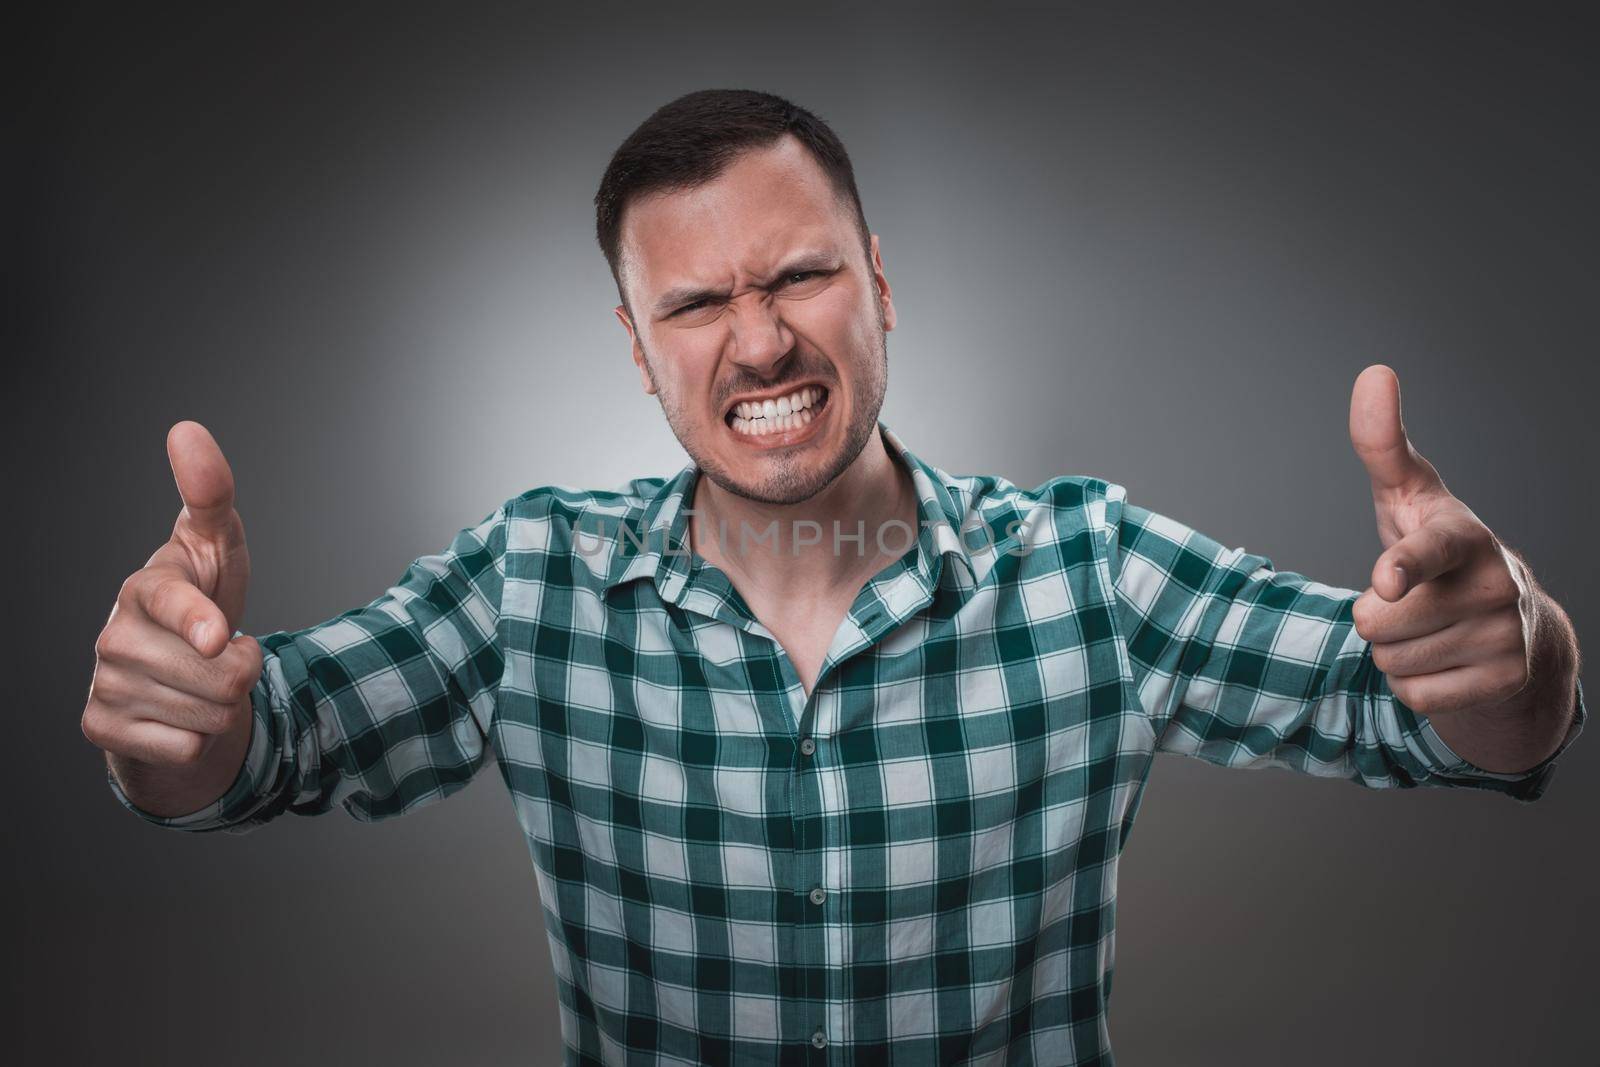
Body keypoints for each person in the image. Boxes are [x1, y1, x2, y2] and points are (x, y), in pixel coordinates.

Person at [83, 88, 1585, 1065]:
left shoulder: (1089, 569)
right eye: (694, 302)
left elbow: (1443, 714)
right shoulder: (532, 579)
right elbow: (258, 743)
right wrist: (188, 724)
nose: (756, 343)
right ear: (632, 344)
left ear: (876, 280)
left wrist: (1518, 654)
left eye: (797, 276)